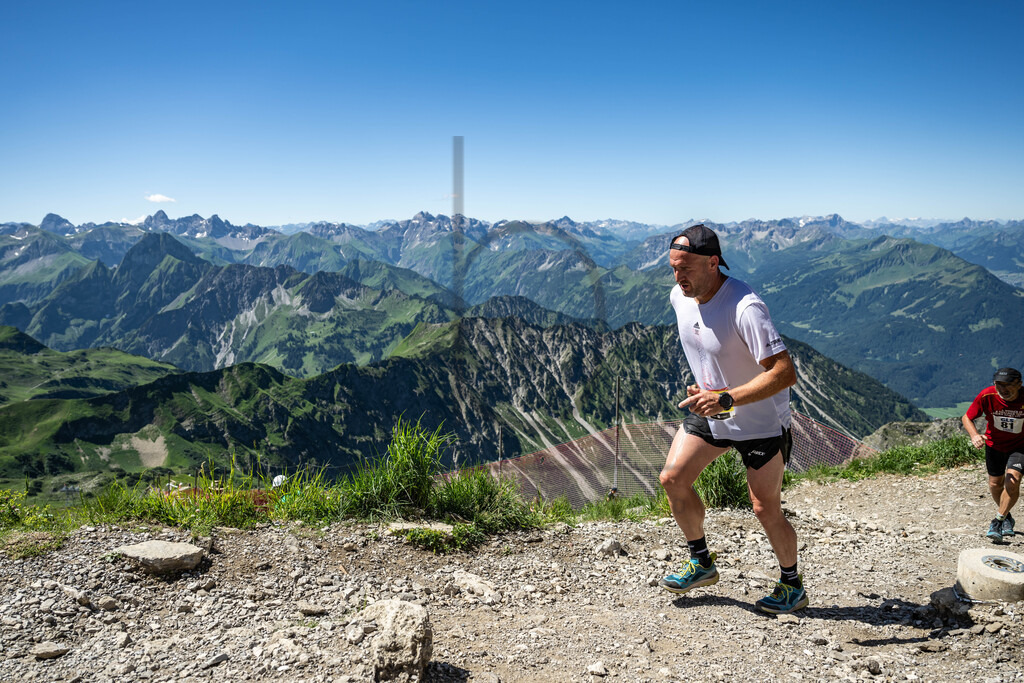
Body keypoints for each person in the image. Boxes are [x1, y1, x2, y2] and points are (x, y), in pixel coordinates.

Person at [658, 224, 805, 614]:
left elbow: (784, 372)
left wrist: (727, 395)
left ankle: (792, 585)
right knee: (672, 479)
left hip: (760, 423)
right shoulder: (680, 296)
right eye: (673, 268)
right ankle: (701, 562)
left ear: (713, 262)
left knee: (764, 508)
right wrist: (707, 388)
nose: (678, 278)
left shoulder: (746, 307)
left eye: (686, 267)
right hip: (712, 409)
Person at [961, 367, 1024, 542]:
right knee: (995, 485)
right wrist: (974, 435)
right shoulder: (987, 395)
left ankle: (998, 521)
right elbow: (967, 417)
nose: (1003, 389)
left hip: (1020, 447)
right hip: (994, 445)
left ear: (1019, 384)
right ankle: (1007, 517)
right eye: (999, 384)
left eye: (1008, 385)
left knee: (1013, 480)